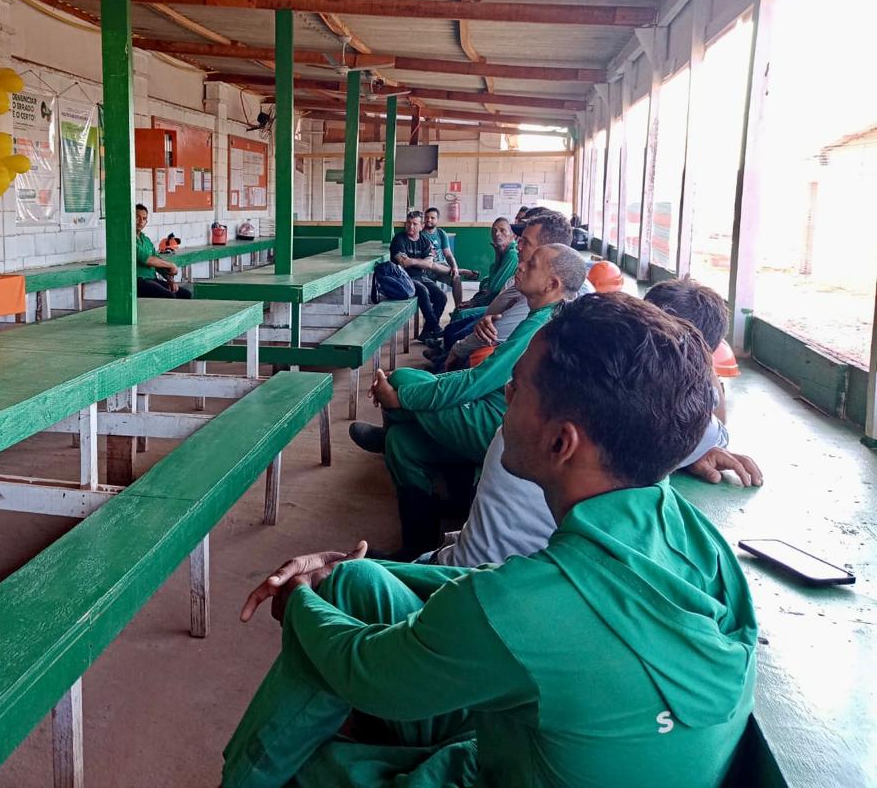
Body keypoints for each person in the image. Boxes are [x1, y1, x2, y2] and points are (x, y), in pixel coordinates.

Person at [222, 293, 757, 788]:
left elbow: (369, 671)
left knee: (306, 767)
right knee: (357, 580)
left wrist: (300, 603)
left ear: (560, 441)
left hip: (503, 766)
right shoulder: (684, 530)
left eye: (517, 388)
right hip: (534, 746)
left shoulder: (533, 604)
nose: (505, 395)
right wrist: (347, 569)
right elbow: (516, 598)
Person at [431, 278, 762, 569]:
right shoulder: (641, 419)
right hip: (483, 576)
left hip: (481, 573)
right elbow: (713, 428)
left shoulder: (543, 417)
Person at [352, 244, 588, 559]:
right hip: (490, 406)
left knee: (403, 380)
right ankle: (417, 545)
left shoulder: (542, 327)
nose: (520, 265)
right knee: (402, 443)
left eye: (531, 264)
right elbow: (483, 378)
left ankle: (400, 412)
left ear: (552, 285)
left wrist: (400, 398)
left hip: (500, 422)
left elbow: (477, 382)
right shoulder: (540, 314)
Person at [430, 209, 586, 372]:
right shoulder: (528, 274)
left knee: (469, 349)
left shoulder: (549, 293)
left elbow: (495, 329)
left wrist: (458, 349)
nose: (517, 246)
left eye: (525, 241)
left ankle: (441, 367)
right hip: (495, 328)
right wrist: (489, 317)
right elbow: (498, 301)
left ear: (546, 250)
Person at [389, 210, 446, 342]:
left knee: (441, 297)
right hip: (402, 278)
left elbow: (428, 264)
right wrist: (420, 262)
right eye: (408, 223)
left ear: (421, 226)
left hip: (420, 277)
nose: (411, 226)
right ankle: (435, 327)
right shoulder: (399, 239)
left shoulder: (425, 242)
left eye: (415, 224)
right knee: (423, 290)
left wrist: (412, 261)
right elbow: (403, 262)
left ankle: (426, 332)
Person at [452, 217, 516, 319]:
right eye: (494, 231)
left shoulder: (512, 254)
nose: (497, 234)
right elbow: (488, 280)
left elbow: (495, 287)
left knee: (462, 313)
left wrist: (477, 300)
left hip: (500, 304)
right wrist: (498, 255)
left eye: (502, 230)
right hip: (492, 299)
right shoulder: (503, 252)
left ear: (513, 236)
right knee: (459, 309)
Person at [135, 203, 192, 299]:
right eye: (137, 217)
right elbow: (148, 260)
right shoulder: (128, 239)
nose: (141, 221)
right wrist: (171, 265)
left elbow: (157, 261)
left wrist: (170, 280)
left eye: (144, 219)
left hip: (152, 279)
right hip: (138, 281)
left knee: (185, 294)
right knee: (169, 296)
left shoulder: (146, 240)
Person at [421, 207, 462, 310]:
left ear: (437, 220)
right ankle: (465, 271)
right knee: (433, 295)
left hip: (442, 267)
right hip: (426, 269)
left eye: (432, 218)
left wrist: (455, 267)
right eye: (426, 217)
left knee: (456, 278)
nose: (429, 220)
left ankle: (458, 309)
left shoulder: (441, 233)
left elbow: (448, 254)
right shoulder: (420, 234)